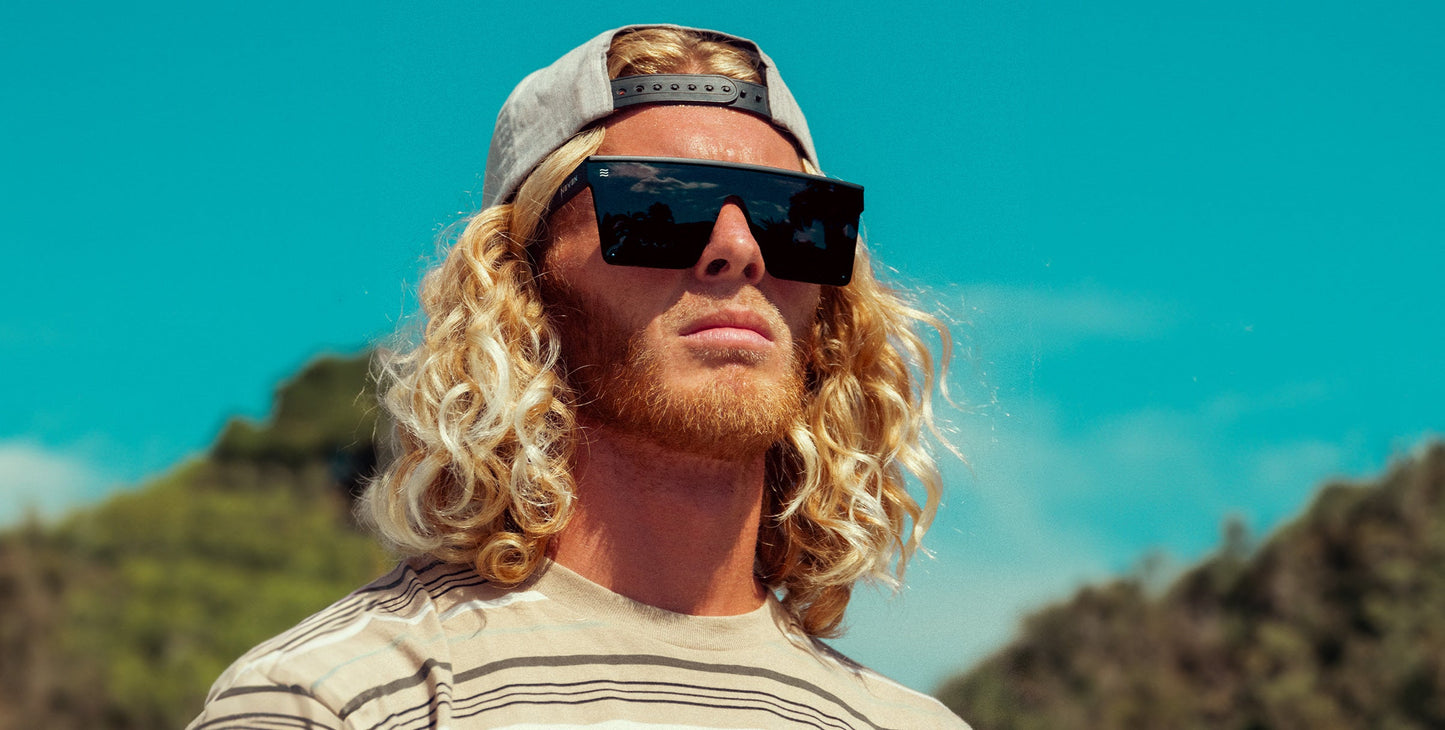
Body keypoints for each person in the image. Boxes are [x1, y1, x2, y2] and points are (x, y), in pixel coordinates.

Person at [190, 24, 969, 729]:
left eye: (795, 219)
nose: (739, 249)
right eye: (659, 205)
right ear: (518, 280)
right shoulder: (339, 699)